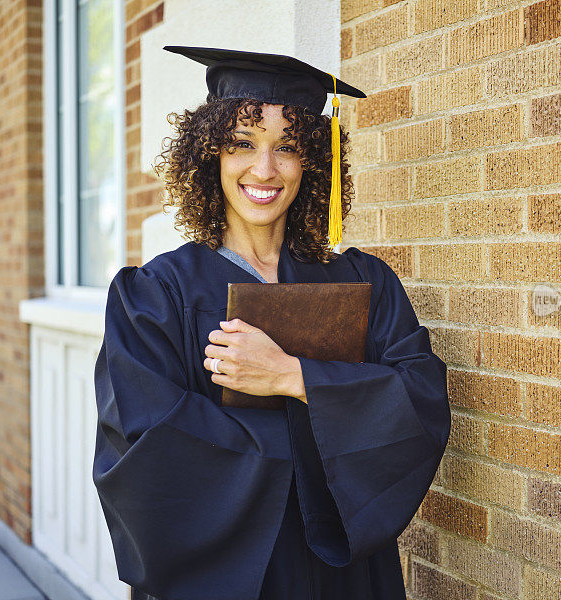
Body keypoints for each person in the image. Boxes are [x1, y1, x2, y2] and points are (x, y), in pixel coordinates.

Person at [92, 46, 451, 600]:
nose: (264, 169)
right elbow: (146, 441)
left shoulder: (365, 283)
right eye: (243, 143)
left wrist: (292, 377)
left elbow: (420, 401)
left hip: (342, 570)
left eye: (287, 147)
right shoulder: (158, 295)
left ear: (311, 160)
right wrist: (324, 438)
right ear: (209, 152)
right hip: (224, 576)